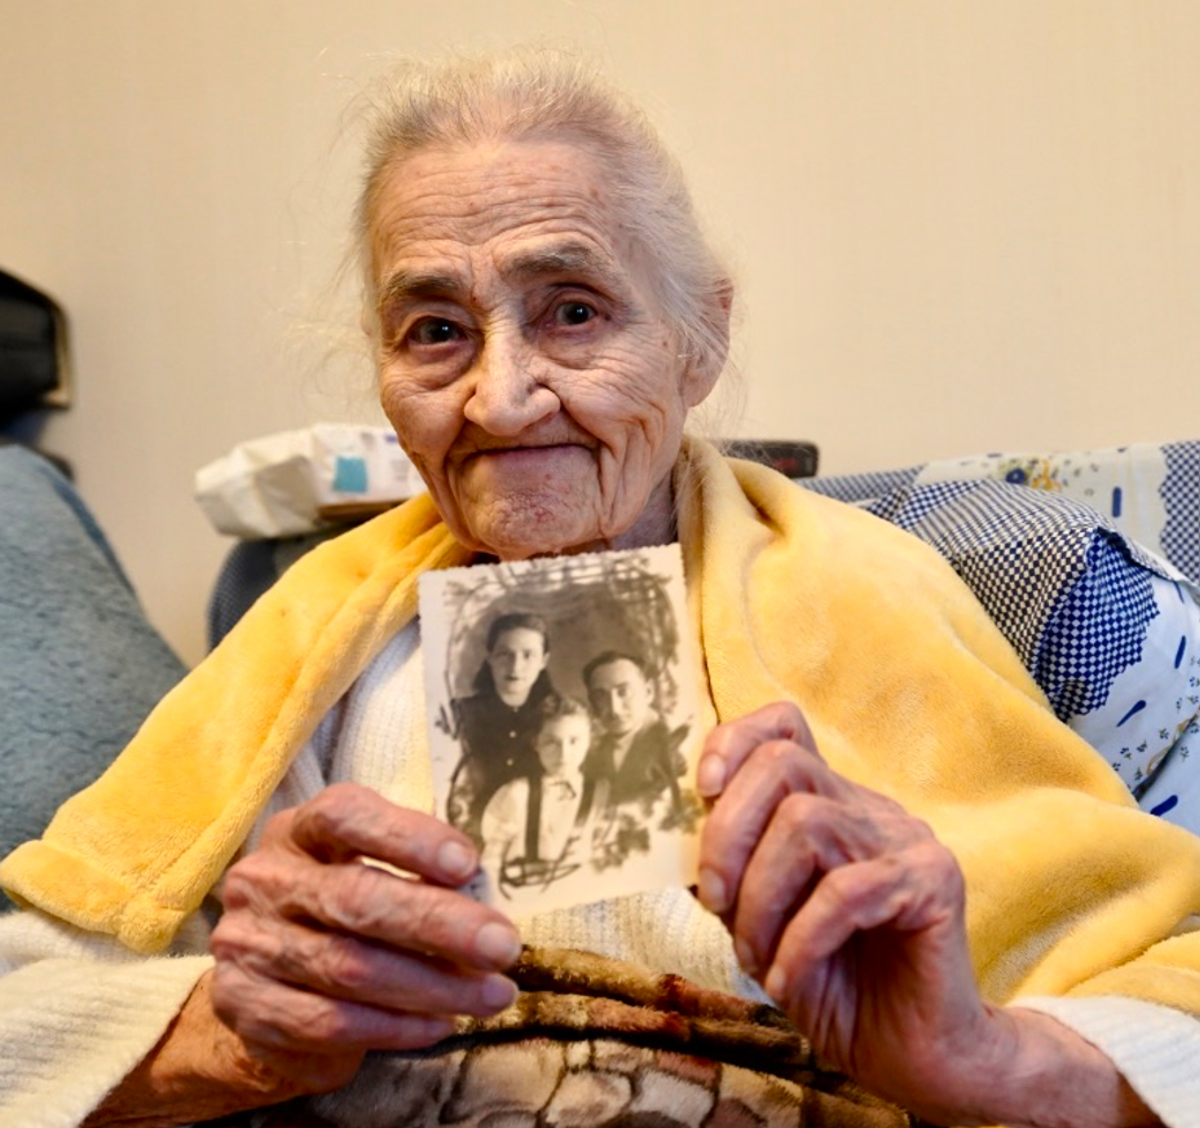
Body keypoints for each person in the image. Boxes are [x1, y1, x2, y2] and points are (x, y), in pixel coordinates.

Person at [0, 45, 1197, 1128]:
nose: (500, 397)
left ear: (698, 342)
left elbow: (1168, 998)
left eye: (572, 312)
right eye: (434, 330)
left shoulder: (870, 592)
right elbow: (28, 1011)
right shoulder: (312, 630)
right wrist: (234, 1038)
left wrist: (980, 1056)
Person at [447, 612, 557, 842]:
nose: (516, 666)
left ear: (544, 661)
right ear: (490, 658)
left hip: (536, 833)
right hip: (468, 831)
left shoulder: (558, 718)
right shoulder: (458, 714)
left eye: (528, 655)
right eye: (505, 654)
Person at [478, 696, 601, 897]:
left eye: (574, 741)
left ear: (589, 740)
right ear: (536, 743)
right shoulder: (515, 794)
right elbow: (491, 862)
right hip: (522, 895)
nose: (564, 754)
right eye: (552, 742)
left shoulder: (600, 795)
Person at [582, 649, 686, 816]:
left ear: (648, 692)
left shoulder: (675, 745)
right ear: (592, 703)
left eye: (624, 692)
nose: (614, 709)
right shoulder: (593, 755)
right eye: (601, 696)